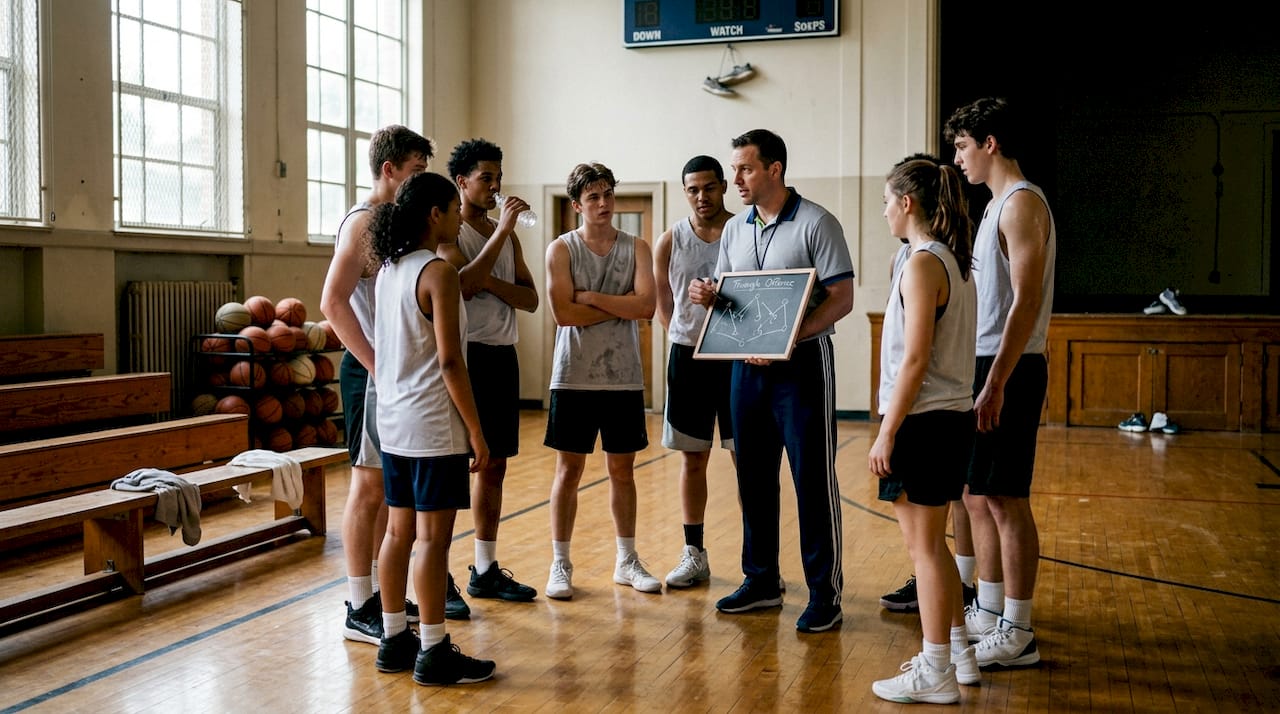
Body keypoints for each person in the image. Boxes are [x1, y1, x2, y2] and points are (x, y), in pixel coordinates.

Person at [688, 129, 855, 633]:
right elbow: (729, 294)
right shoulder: (736, 229)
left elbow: (842, 297)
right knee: (753, 478)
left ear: (774, 169)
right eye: (734, 170)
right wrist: (709, 296)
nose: (735, 179)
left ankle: (825, 594)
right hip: (745, 369)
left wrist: (788, 338)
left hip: (801, 367)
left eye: (745, 169)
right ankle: (761, 580)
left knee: (811, 479)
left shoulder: (818, 222)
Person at [368, 171, 495, 685]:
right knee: (432, 542)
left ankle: (393, 638)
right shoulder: (438, 272)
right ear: (434, 215)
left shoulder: (388, 269)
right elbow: (449, 361)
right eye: (454, 209)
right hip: (432, 425)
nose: (460, 218)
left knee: (397, 534)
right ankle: (435, 650)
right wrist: (476, 431)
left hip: (393, 422)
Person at [946, 96, 1056, 669]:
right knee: (977, 493)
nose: (958, 158)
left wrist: (996, 381)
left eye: (963, 146)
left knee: (1007, 498)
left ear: (990, 143)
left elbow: (1026, 301)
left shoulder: (1021, 203)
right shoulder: (993, 206)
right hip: (984, 363)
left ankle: (1019, 629)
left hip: (1009, 367)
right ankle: (990, 611)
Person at [868, 157, 980, 703]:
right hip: (948, 420)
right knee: (934, 547)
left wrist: (887, 431)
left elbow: (915, 360)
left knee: (926, 551)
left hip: (923, 421)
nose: (884, 211)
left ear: (907, 203)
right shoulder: (952, 261)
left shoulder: (922, 265)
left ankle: (935, 670)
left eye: (887, 201)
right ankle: (959, 652)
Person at [319, 124, 434, 644]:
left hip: (390, 373)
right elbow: (331, 302)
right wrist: (375, 366)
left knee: (388, 489)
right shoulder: (364, 222)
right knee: (367, 490)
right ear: (389, 170)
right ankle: (358, 604)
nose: (420, 180)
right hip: (369, 372)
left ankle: (378, 596)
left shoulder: (392, 221)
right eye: (415, 170)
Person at [543, 161, 660, 599]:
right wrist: (619, 303)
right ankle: (560, 562)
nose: (603, 202)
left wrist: (590, 297)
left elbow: (646, 307)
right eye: (593, 196)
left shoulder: (637, 248)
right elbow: (563, 313)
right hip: (573, 376)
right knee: (568, 471)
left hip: (623, 377)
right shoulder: (561, 249)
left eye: (608, 194)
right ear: (577, 205)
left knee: (622, 471)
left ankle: (626, 559)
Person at [438, 138, 539, 605]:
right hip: (466, 356)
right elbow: (464, 285)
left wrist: (492, 282)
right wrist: (503, 238)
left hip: (502, 355)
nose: (496, 186)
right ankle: (437, 575)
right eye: (486, 178)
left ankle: (484, 569)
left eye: (499, 177)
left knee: (494, 465)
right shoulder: (448, 231)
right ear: (462, 182)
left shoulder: (507, 235)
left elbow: (530, 299)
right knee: (453, 468)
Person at [653, 155, 737, 589]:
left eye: (709, 187)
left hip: (738, 356)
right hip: (688, 358)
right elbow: (664, 305)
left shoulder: (746, 232)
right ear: (684, 192)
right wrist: (687, 335)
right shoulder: (670, 240)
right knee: (692, 459)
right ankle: (694, 553)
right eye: (693, 189)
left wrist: (720, 303)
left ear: (723, 186)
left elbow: (760, 298)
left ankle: (760, 561)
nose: (701, 196)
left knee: (749, 459)